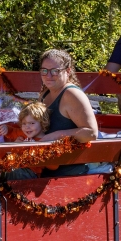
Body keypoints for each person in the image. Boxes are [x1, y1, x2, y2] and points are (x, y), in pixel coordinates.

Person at [34, 48, 111, 179]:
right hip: (45, 168)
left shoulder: (72, 94)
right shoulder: (44, 94)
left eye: (55, 71)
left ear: (68, 71)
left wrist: (57, 135)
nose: (48, 75)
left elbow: (91, 133)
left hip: (70, 172)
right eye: (44, 71)